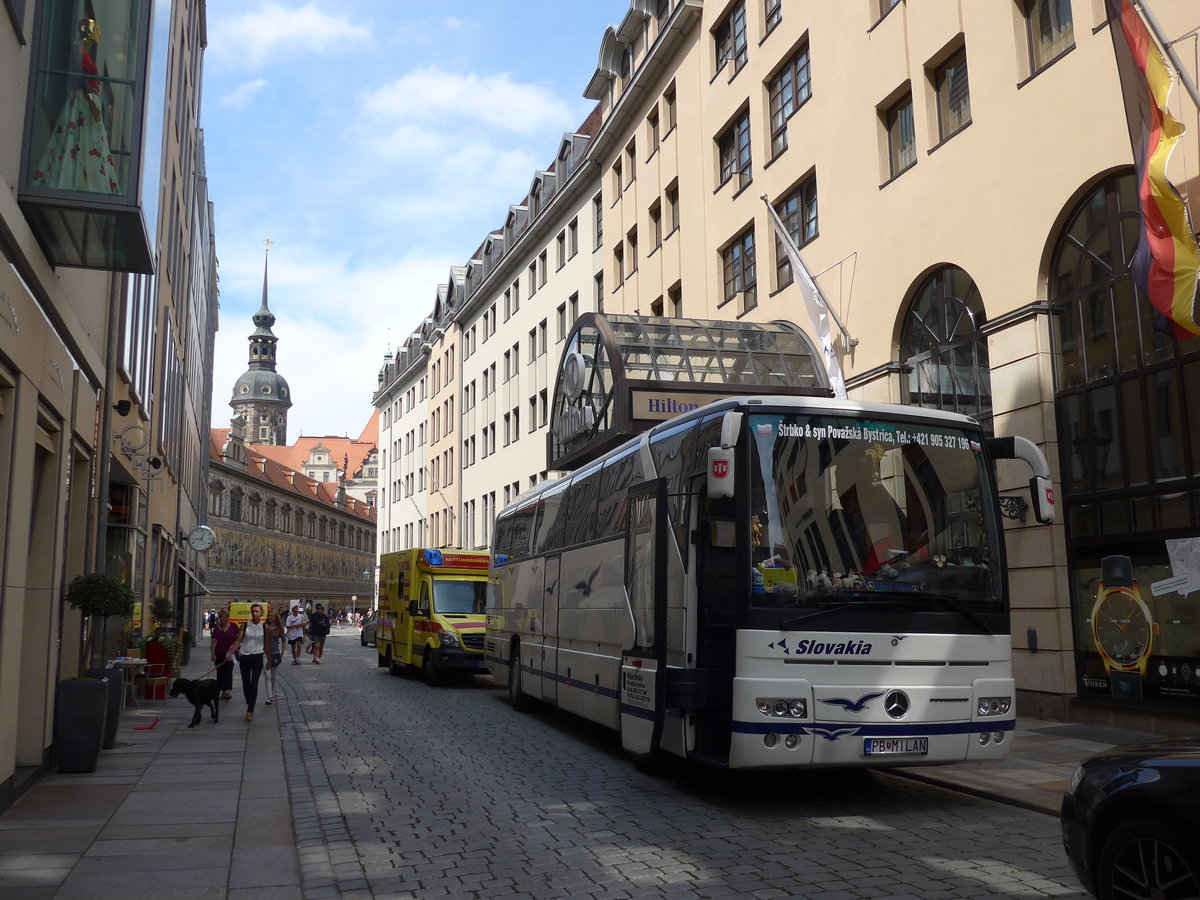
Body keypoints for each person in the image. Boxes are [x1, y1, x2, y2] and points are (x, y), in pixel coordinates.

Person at [229, 603, 271, 721]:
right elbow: (238, 640)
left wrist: (269, 659)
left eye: (256, 611)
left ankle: (250, 710)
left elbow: (267, 644)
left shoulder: (265, 627)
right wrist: (231, 652)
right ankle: (249, 701)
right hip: (245, 657)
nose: (254, 613)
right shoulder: (245, 625)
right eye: (252, 611)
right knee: (246, 683)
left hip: (257, 657)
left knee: (254, 683)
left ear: (261, 613)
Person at [209, 608, 239, 701]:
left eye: (223, 617)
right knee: (220, 673)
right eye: (220, 617)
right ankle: (223, 691)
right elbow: (213, 643)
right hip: (219, 654)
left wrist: (233, 647)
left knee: (228, 671)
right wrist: (213, 654)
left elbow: (238, 640)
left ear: (227, 617)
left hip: (231, 654)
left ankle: (227, 691)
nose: (221, 619)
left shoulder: (234, 627)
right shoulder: (217, 629)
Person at [263, 609, 286, 705]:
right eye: (269, 616)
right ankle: (270, 696)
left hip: (275, 653)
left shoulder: (279, 629)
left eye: (271, 616)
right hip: (264, 653)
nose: (269, 617)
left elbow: (284, 640)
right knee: (267, 675)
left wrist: (282, 652)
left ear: (276, 618)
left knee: (273, 675)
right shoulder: (264, 627)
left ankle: (273, 691)